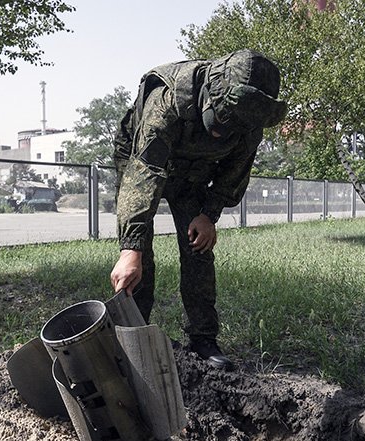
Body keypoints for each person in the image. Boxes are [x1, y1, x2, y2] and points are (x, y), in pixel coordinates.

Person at [110, 49, 286, 371]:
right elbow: (144, 174)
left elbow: (234, 171)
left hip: (192, 172)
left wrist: (208, 215)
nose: (222, 132)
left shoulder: (250, 122)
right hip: (142, 159)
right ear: (212, 94)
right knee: (139, 258)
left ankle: (203, 338)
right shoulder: (169, 101)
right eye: (221, 119)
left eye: (235, 128)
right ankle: (134, 335)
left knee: (198, 248)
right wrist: (130, 248)